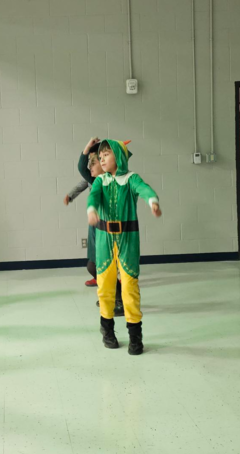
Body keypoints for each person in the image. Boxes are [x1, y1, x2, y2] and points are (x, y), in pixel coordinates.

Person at [87, 139, 161, 355]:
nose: (101, 159)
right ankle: (107, 332)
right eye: (100, 157)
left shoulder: (131, 179)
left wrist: (152, 201)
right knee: (105, 288)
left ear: (118, 156)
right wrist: (91, 209)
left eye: (106, 155)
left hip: (128, 240)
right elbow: (93, 196)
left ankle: (135, 337)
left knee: (129, 288)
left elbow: (144, 189)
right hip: (104, 240)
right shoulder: (101, 181)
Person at [64, 137, 125, 316]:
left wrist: (88, 148)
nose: (90, 168)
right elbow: (85, 175)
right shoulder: (96, 179)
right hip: (95, 227)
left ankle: (118, 300)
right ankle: (112, 295)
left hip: (107, 229)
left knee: (102, 267)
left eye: (95, 161)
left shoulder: (110, 179)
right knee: (94, 267)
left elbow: (82, 168)